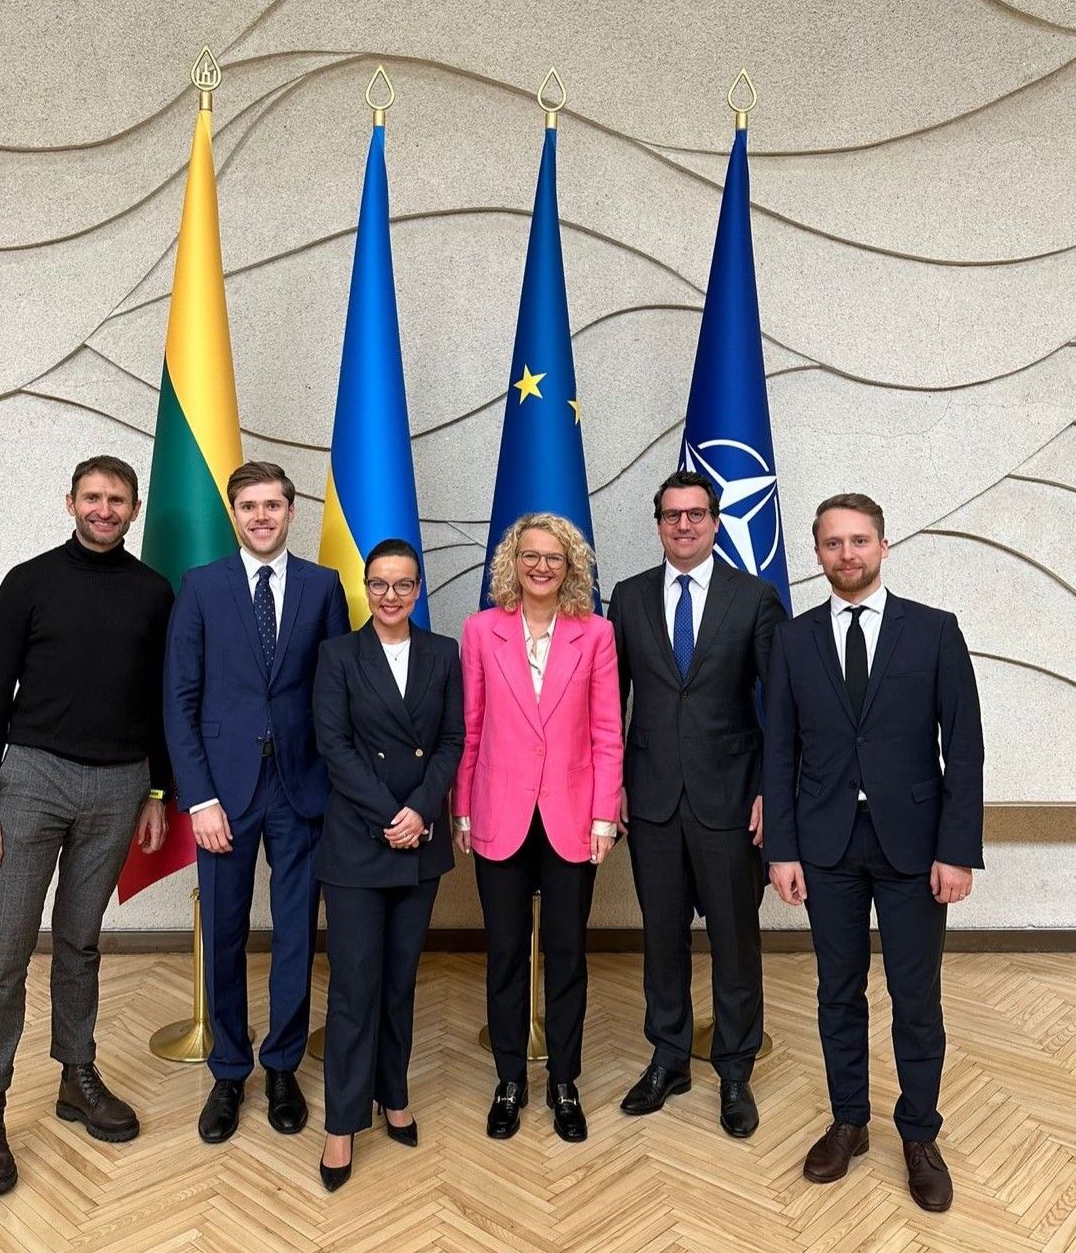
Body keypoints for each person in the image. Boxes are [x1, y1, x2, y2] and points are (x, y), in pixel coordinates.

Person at [763, 493, 983, 1213]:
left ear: (883, 546)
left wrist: (956, 850)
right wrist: (782, 850)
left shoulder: (934, 631)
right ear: (818, 553)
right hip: (825, 845)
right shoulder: (793, 639)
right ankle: (848, 1121)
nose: (846, 554)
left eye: (859, 540)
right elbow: (779, 751)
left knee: (915, 998)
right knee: (837, 990)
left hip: (914, 847)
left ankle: (918, 1133)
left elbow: (965, 749)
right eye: (833, 543)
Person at [0, 455, 173, 1196]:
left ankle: (75, 1075)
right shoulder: (28, 582)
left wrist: (158, 790)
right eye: (92, 497)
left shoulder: (154, 592)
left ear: (134, 509)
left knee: (80, 941)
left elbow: (160, 701)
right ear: (70, 502)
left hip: (119, 784)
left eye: (117, 499)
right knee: (6, 950)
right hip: (33, 778)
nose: (104, 509)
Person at [163, 460, 349, 1144]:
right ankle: (229, 1069)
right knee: (224, 932)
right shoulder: (201, 586)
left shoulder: (323, 586)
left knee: (296, 933)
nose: (261, 516)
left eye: (273, 505)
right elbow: (179, 699)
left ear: (291, 511)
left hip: (301, 788)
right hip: (225, 793)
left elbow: (337, 692)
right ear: (234, 514)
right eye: (249, 506)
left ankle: (281, 1066)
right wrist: (199, 799)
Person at [607, 469, 785, 1137]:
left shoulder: (754, 597)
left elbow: (782, 704)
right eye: (671, 515)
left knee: (735, 940)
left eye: (695, 514)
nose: (683, 525)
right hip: (651, 798)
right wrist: (611, 783)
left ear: (714, 522)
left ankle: (734, 1069)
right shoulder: (628, 597)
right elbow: (610, 702)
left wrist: (771, 789)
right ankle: (668, 1057)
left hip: (731, 799)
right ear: (658, 524)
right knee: (661, 937)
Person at [453, 513, 623, 1143]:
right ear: (513, 562)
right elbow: (469, 726)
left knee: (567, 953)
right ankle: (509, 1080)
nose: (542, 566)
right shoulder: (481, 630)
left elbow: (608, 732)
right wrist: (462, 807)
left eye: (554, 557)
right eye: (531, 555)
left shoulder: (596, 634)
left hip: (572, 818)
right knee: (504, 953)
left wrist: (604, 814)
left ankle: (563, 1081)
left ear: (570, 566)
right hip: (499, 812)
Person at [312, 539, 464, 1191]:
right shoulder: (338, 654)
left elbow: (453, 738)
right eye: (379, 584)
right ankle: (342, 1121)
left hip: (419, 839)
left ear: (418, 588)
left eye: (403, 585)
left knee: (399, 981)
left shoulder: (443, 652)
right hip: (358, 840)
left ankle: (392, 1093)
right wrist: (389, 814)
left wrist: (421, 810)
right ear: (366, 586)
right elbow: (333, 745)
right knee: (354, 987)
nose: (391, 595)